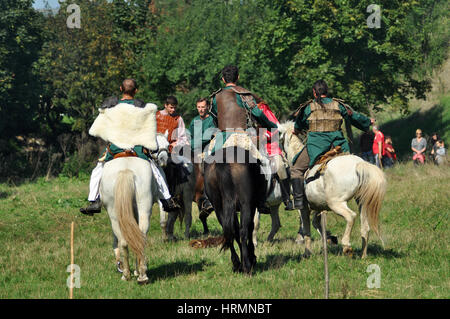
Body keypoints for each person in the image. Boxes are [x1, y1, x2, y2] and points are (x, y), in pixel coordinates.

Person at [79, 79, 179, 215]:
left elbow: (95, 130)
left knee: (97, 171)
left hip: (115, 148)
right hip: (137, 149)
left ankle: (94, 201)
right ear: (136, 91)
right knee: (156, 172)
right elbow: (148, 132)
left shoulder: (110, 107)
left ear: (121, 89)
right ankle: (167, 200)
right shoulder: (143, 108)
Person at [291, 79, 374, 211]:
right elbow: (354, 116)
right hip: (338, 145)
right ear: (327, 91)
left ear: (314, 92)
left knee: (296, 170)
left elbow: (298, 125)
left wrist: (296, 130)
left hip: (316, 147)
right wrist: (368, 121)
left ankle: (299, 202)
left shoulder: (308, 107)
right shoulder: (338, 105)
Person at [210, 65, 279, 214]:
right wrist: (272, 126)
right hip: (242, 137)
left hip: (221, 139)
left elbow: (214, 117)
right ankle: (261, 201)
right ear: (238, 77)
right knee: (264, 164)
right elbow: (258, 114)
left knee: (206, 163)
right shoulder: (245, 95)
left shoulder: (215, 97)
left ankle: (208, 199)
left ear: (223, 79)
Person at [254, 97, 295, 210]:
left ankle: (287, 198)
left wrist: (265, 135)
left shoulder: (264, 109)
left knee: (280, 166)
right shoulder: (244, 110)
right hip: (253, 148)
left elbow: (276, 128)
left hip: (270, 147)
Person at [188, 97, 218, 214]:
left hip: (208, 148)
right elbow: (190, 136)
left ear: (207, 107)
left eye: (203, 107)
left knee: (206, 166)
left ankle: (206, 197)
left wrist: (190, 144)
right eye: (199, 107)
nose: (201, 109)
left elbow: (206, 138)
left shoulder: (211, 120)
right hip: (194, 149)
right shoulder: (194, 121)